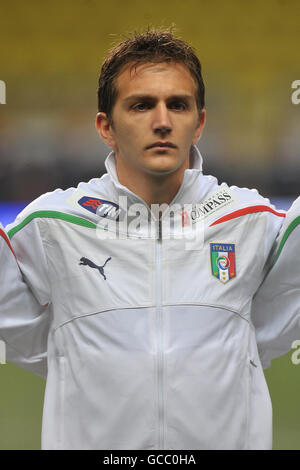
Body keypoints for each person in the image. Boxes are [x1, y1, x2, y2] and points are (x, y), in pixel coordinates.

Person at [0, 29, 300, 450]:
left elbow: (275, 324)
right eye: (141, 105)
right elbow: (15, 330)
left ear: (199, 123)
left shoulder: (249, 221)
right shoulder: (53, 225)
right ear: (106, 126)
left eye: (178, 105)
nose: (162, 121)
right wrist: (72, 354)